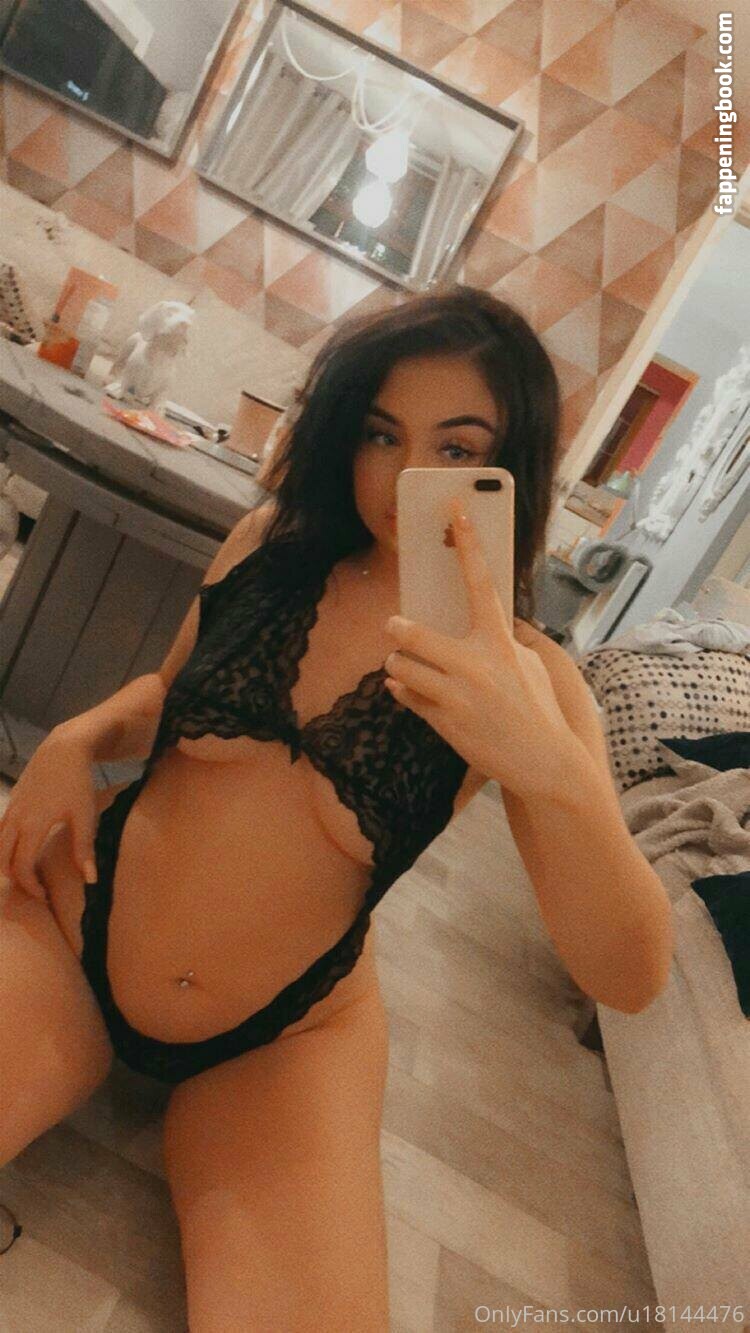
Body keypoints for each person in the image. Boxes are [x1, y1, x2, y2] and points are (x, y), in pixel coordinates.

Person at [0, 286, 672, 1331]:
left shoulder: (528, 679)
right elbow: (167, 697)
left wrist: (553, 772)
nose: (406, 477)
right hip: (73, 923)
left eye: (457, 448)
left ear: (513, 469)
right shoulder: (272, 543)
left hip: (284, 1036)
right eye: (381, 433)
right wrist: (77, 738)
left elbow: (629, 974)